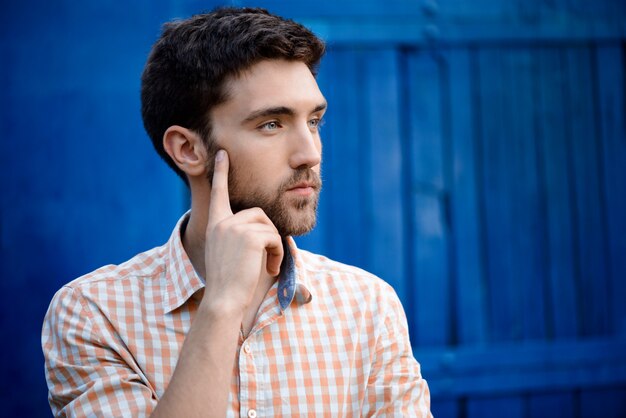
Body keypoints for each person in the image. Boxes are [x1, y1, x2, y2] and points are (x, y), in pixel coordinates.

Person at [42, 7, 432, 417]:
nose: (310, 153)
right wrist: (222, 305)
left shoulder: (368, 307)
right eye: (272, 124)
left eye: (314, 121)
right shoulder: (94, 314)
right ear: (189, 149)